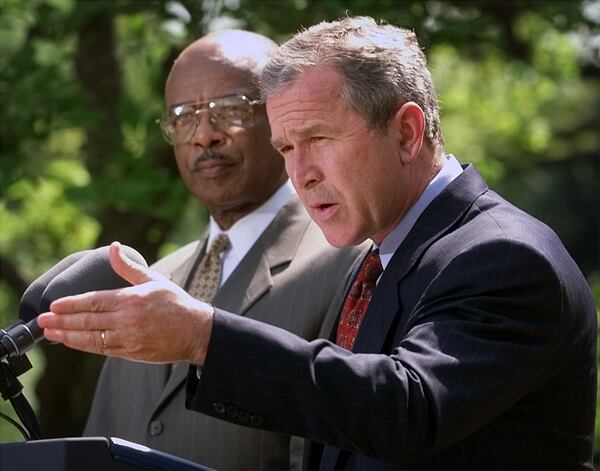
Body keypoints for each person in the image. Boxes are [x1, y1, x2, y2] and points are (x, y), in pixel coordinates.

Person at [39, 16, 597, 470]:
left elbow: (406, 410)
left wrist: (204, 336)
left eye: (318, 138)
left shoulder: (503, 255)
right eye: (286, 148)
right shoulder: (382, 259)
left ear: (406, 132)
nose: (299, 173)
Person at [81, 29, 367, 471]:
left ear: (280, 118)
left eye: (229, 110)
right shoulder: (143, 282)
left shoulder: (348, 259)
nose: (204, 135)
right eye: (182, 117)